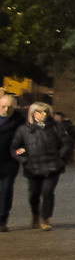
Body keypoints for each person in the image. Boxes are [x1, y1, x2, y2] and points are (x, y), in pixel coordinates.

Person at [12, 101, 73, 231]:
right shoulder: (24, 130)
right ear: (32, 113)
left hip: (52, 166)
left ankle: (45, 218)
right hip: (33, 166)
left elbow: (67, 143)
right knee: (33, 194)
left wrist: (59, 156)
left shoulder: (56, 127)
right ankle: (35, 214)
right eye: (39, 111)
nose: (43, 114)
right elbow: (15, 148)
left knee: (48, 191)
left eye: (45, 111)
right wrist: (24, 160)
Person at [0, 92, 20, 229]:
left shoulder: (19, 122)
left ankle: (2, 219)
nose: (6, 110)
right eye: (3, 107)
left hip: (9, 161)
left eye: (9, 107)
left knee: (6, 190)